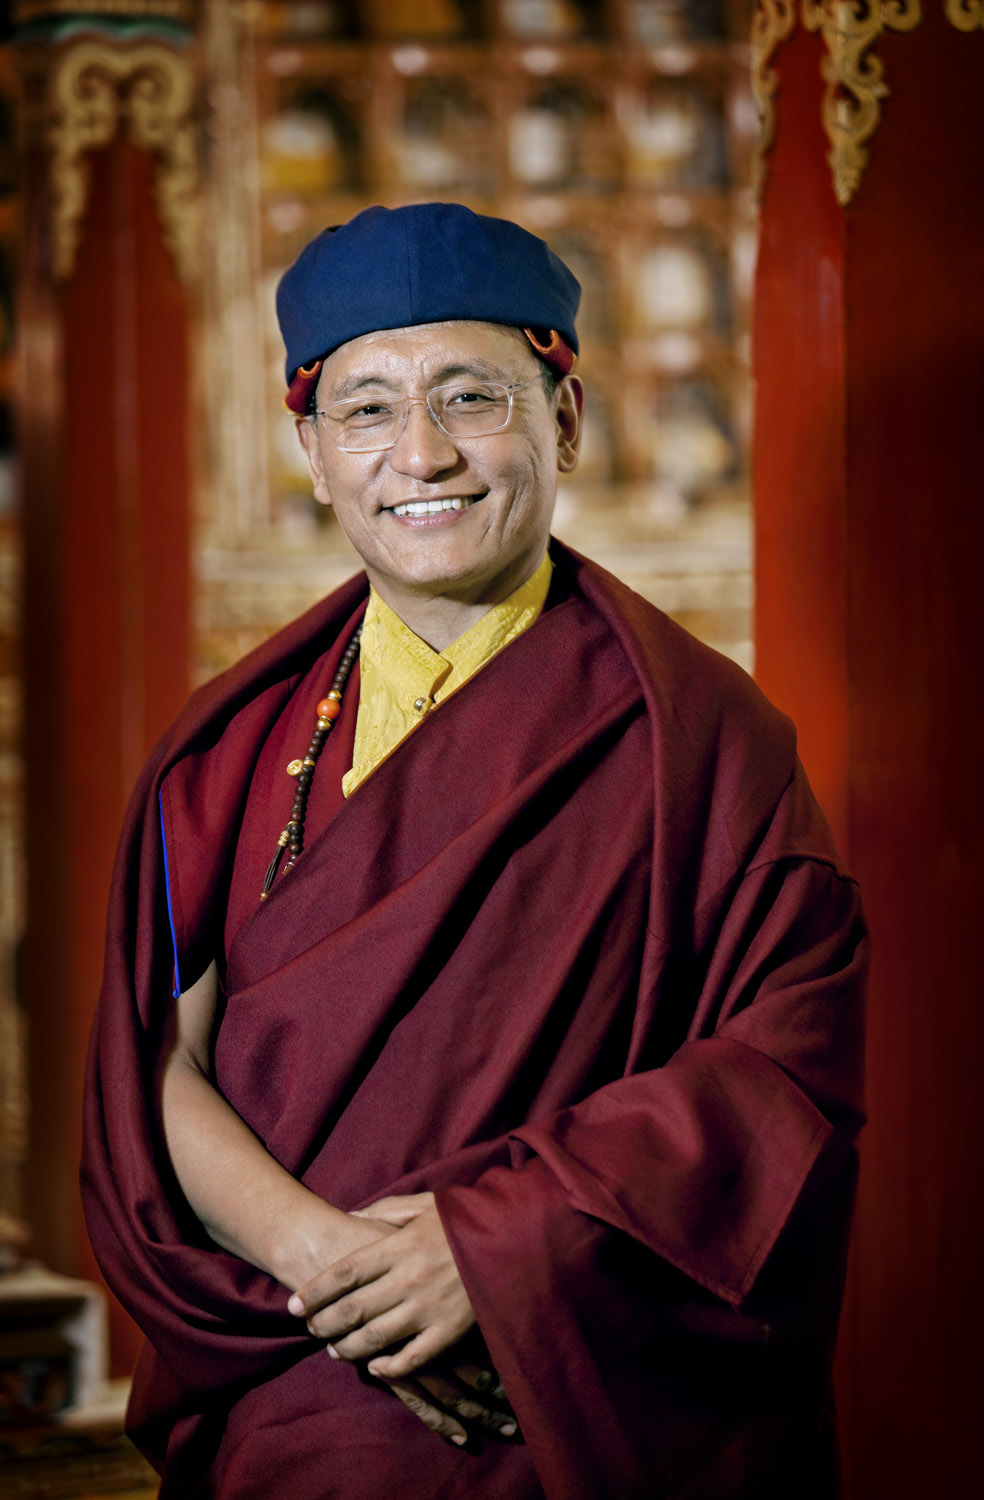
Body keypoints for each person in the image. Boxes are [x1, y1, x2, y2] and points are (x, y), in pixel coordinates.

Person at [82, 203, 867, 1500]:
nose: (424, 455)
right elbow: (161, 1059)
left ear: (563, 419)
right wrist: (333, 1268)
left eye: (472, 397)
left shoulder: (697, 734)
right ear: (313, 452)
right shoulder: (228, 749)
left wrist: (493, 1248)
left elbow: (787, 1069)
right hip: (298, 1354)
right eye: (369, 410)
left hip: (571, 1366)